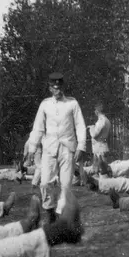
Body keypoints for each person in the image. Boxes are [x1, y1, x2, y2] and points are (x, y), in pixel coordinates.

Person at [24, 72, 88, 218]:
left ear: (63, 87)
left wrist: (81, 146)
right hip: (49, 148)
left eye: (59, 87)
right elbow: (38, 128)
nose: (57, 90)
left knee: (66, 185)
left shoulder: (72, 103)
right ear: (50, 88)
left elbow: (80, 125)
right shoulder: (45, 105)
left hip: (67, 149)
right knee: (45, 182)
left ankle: (60, 215)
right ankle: (50, 210)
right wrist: (32, 149)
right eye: (54, 87)